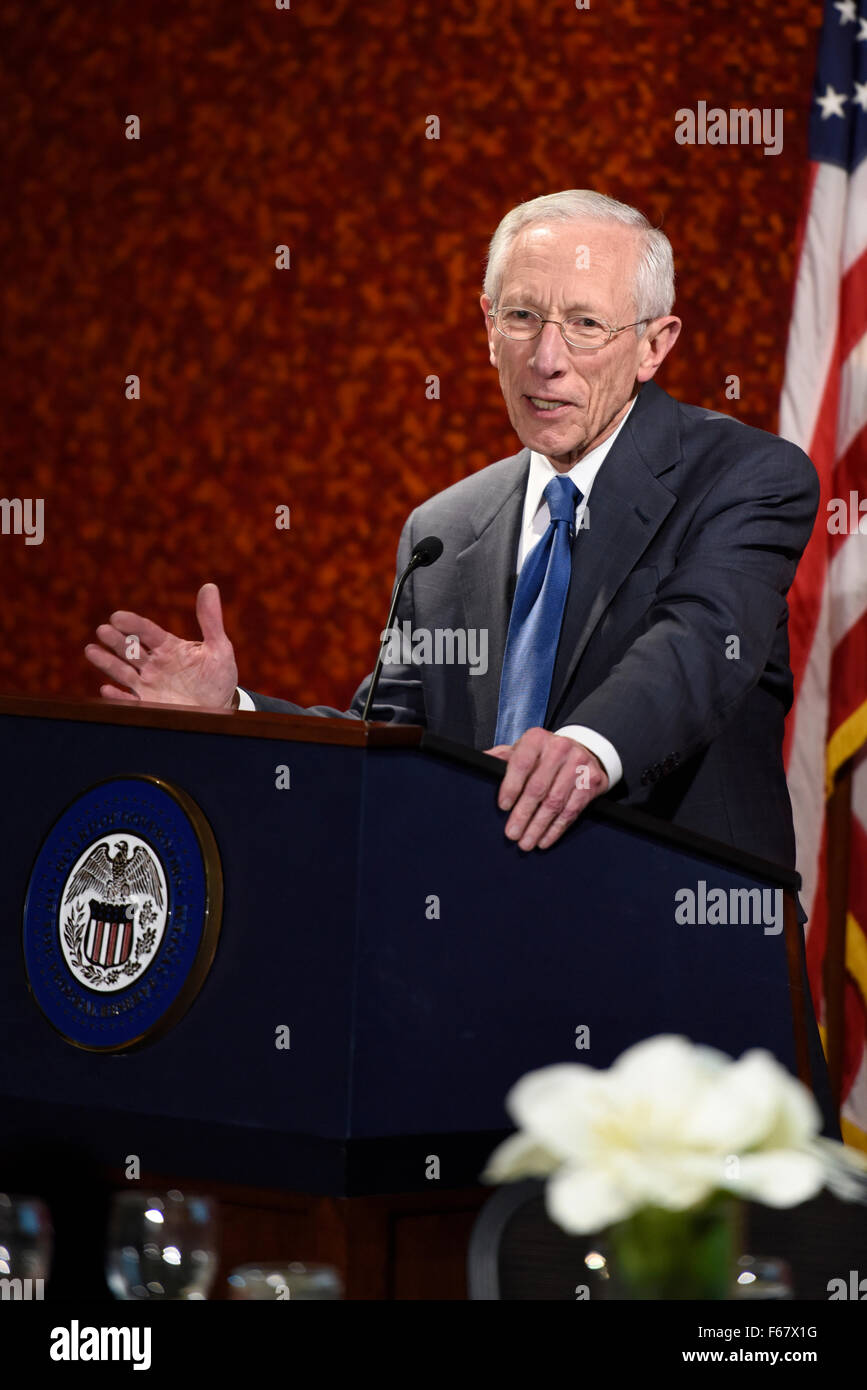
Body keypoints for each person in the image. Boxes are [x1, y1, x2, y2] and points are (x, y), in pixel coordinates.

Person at [85, 190, 819, 869]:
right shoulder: (443, 529)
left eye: (586, 325)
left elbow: (695, 646)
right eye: (522, 318)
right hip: (480, 945)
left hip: (680, 941)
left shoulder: (745, 476)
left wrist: (581, 750)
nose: (546, 359)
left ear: (654, 345)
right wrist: (236, 712)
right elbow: (388, 743)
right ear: (487, 328)